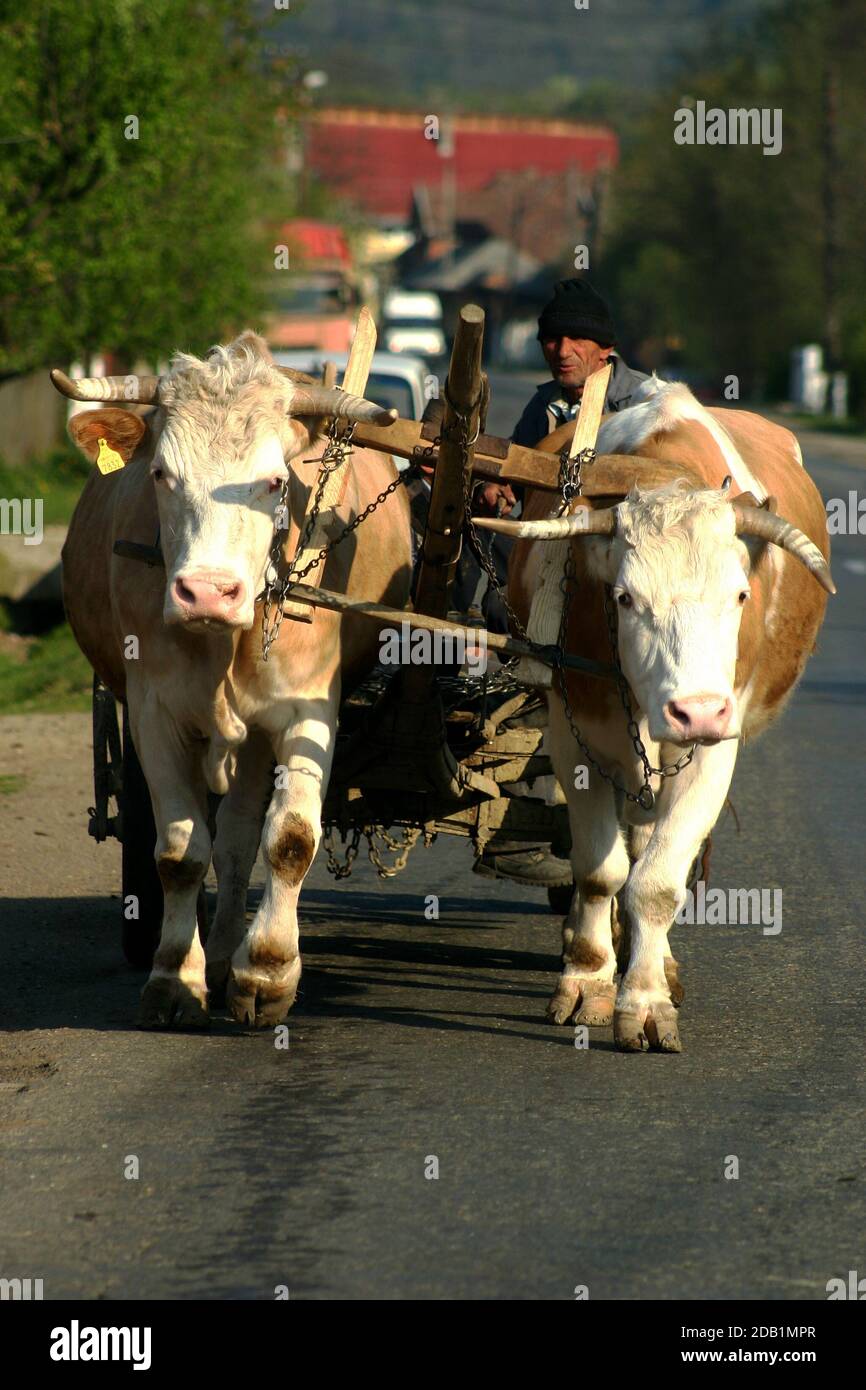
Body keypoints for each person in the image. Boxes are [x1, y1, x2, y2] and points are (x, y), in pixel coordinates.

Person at [474, 279, 648, 891]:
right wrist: (498, 489)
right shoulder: (545, 405)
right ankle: (504, 669)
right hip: (553, 564)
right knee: (487, 563)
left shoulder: (648, 406)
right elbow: (520, 471)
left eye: (576, 338)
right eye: (552, 338)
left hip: (627, 567)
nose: (561, 348)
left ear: (606, 349)